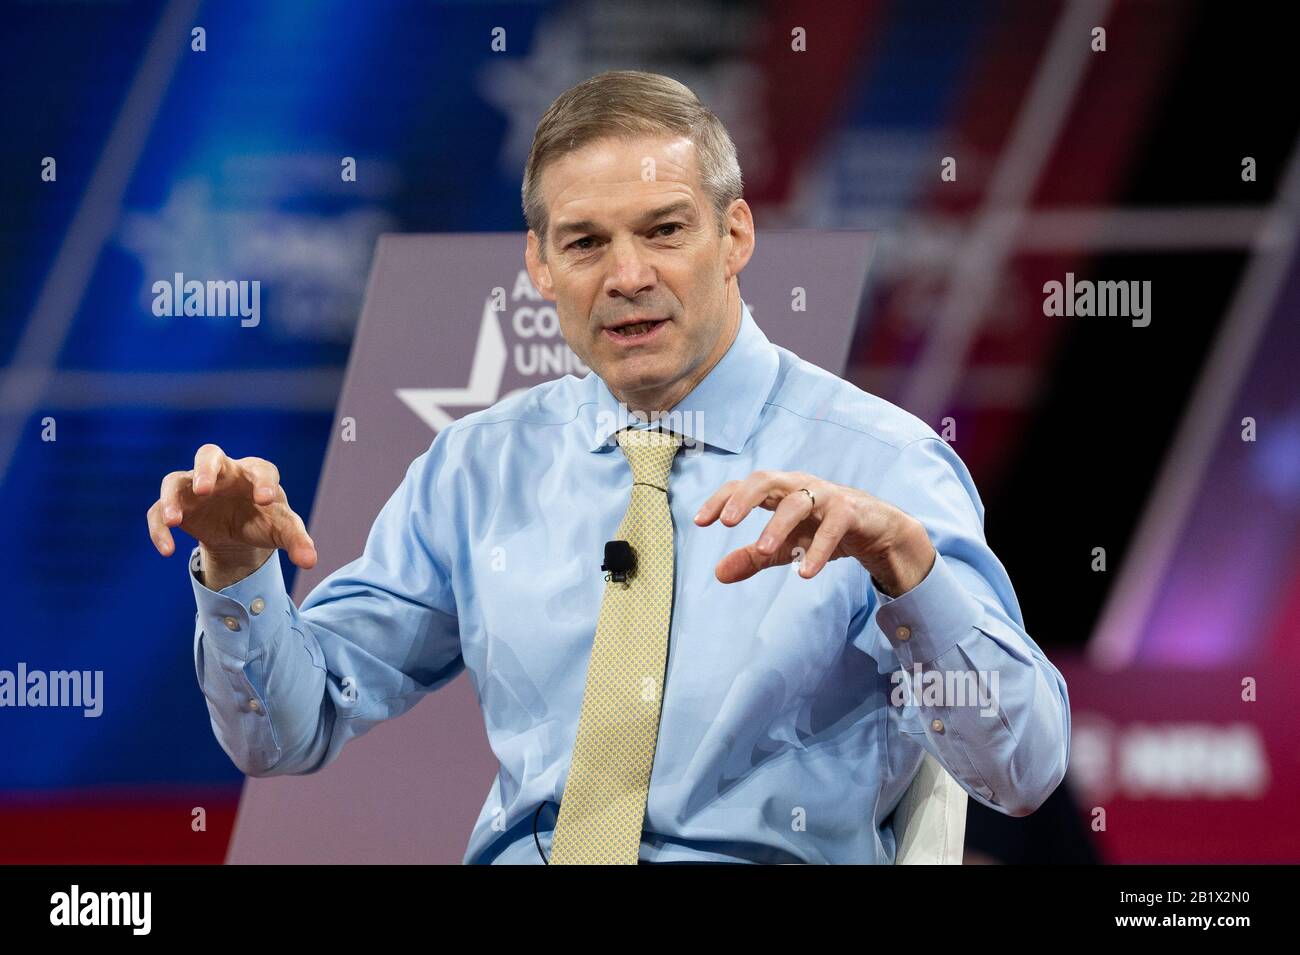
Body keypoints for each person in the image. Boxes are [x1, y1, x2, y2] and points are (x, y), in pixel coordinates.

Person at [146, 70, 1070, 864]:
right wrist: (237, 572)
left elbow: (1022, 770)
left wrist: (909, 566)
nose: (626, 274)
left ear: (737, 236)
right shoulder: (478, 465)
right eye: (585, 242)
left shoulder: (884, 462)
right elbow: (289, 732)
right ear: (540, 267)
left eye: (665, 230)